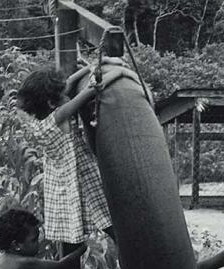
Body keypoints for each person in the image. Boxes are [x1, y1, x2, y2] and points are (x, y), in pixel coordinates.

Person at [16, 59, 140, 245]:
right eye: (61, 94)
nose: (66, 93)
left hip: (60, 177)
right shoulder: (60, 115)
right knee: (109, 220)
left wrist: (95, 64)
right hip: (81, 174)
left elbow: (68, 84)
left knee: (77, 232)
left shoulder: (37, 121)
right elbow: (95, 87)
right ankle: (132, 251)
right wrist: (125, 73)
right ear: (51, 102)